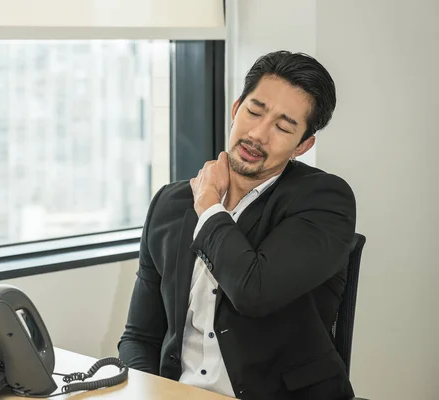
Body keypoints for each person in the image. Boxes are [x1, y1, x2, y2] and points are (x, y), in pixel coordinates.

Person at [117, 50, 357, 400]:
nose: (258, 134)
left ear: (302, 145)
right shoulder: (169, 204)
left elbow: (252, 291)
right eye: (254, 112)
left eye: (283, 126)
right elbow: (140, 337)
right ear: (235, 109)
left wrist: (209, 206)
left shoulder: (324, 200)